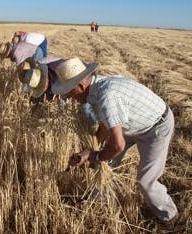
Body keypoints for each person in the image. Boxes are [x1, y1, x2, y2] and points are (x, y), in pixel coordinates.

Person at [51, 57, 179, 225]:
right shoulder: (97, 87)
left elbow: (118, 145)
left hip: (156, 127)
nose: (68, 97)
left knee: (146, 180)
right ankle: (100, 198)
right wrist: (91, 149)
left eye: (69, 92)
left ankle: (169, 216)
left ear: (81, 86)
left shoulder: (106, 96)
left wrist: (95, 156)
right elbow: (105, 124)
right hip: (131, 123)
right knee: (108, 164)